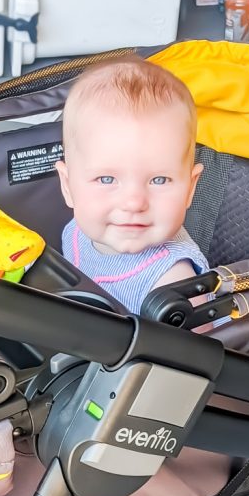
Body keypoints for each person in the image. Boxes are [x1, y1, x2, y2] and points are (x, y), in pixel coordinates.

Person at [55, 57, 208, 315]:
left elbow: (193, 354)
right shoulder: (76, 232)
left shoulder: (174, 285)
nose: (134, 202)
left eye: (159, 180)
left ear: (190, 189)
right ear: (68, 186)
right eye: (107, 179)